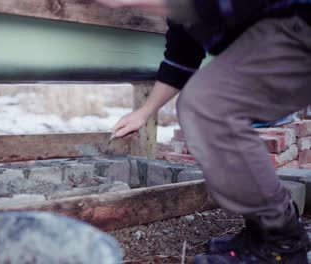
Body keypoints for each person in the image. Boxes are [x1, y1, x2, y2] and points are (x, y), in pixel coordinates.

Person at [95, 0, 311, 263]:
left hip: (299, 21)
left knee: (209, 104)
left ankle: (283, 243)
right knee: (208, 106)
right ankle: (263, 232)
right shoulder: (181, 15)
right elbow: (180, 59)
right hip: (273, 32)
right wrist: (143, 112)